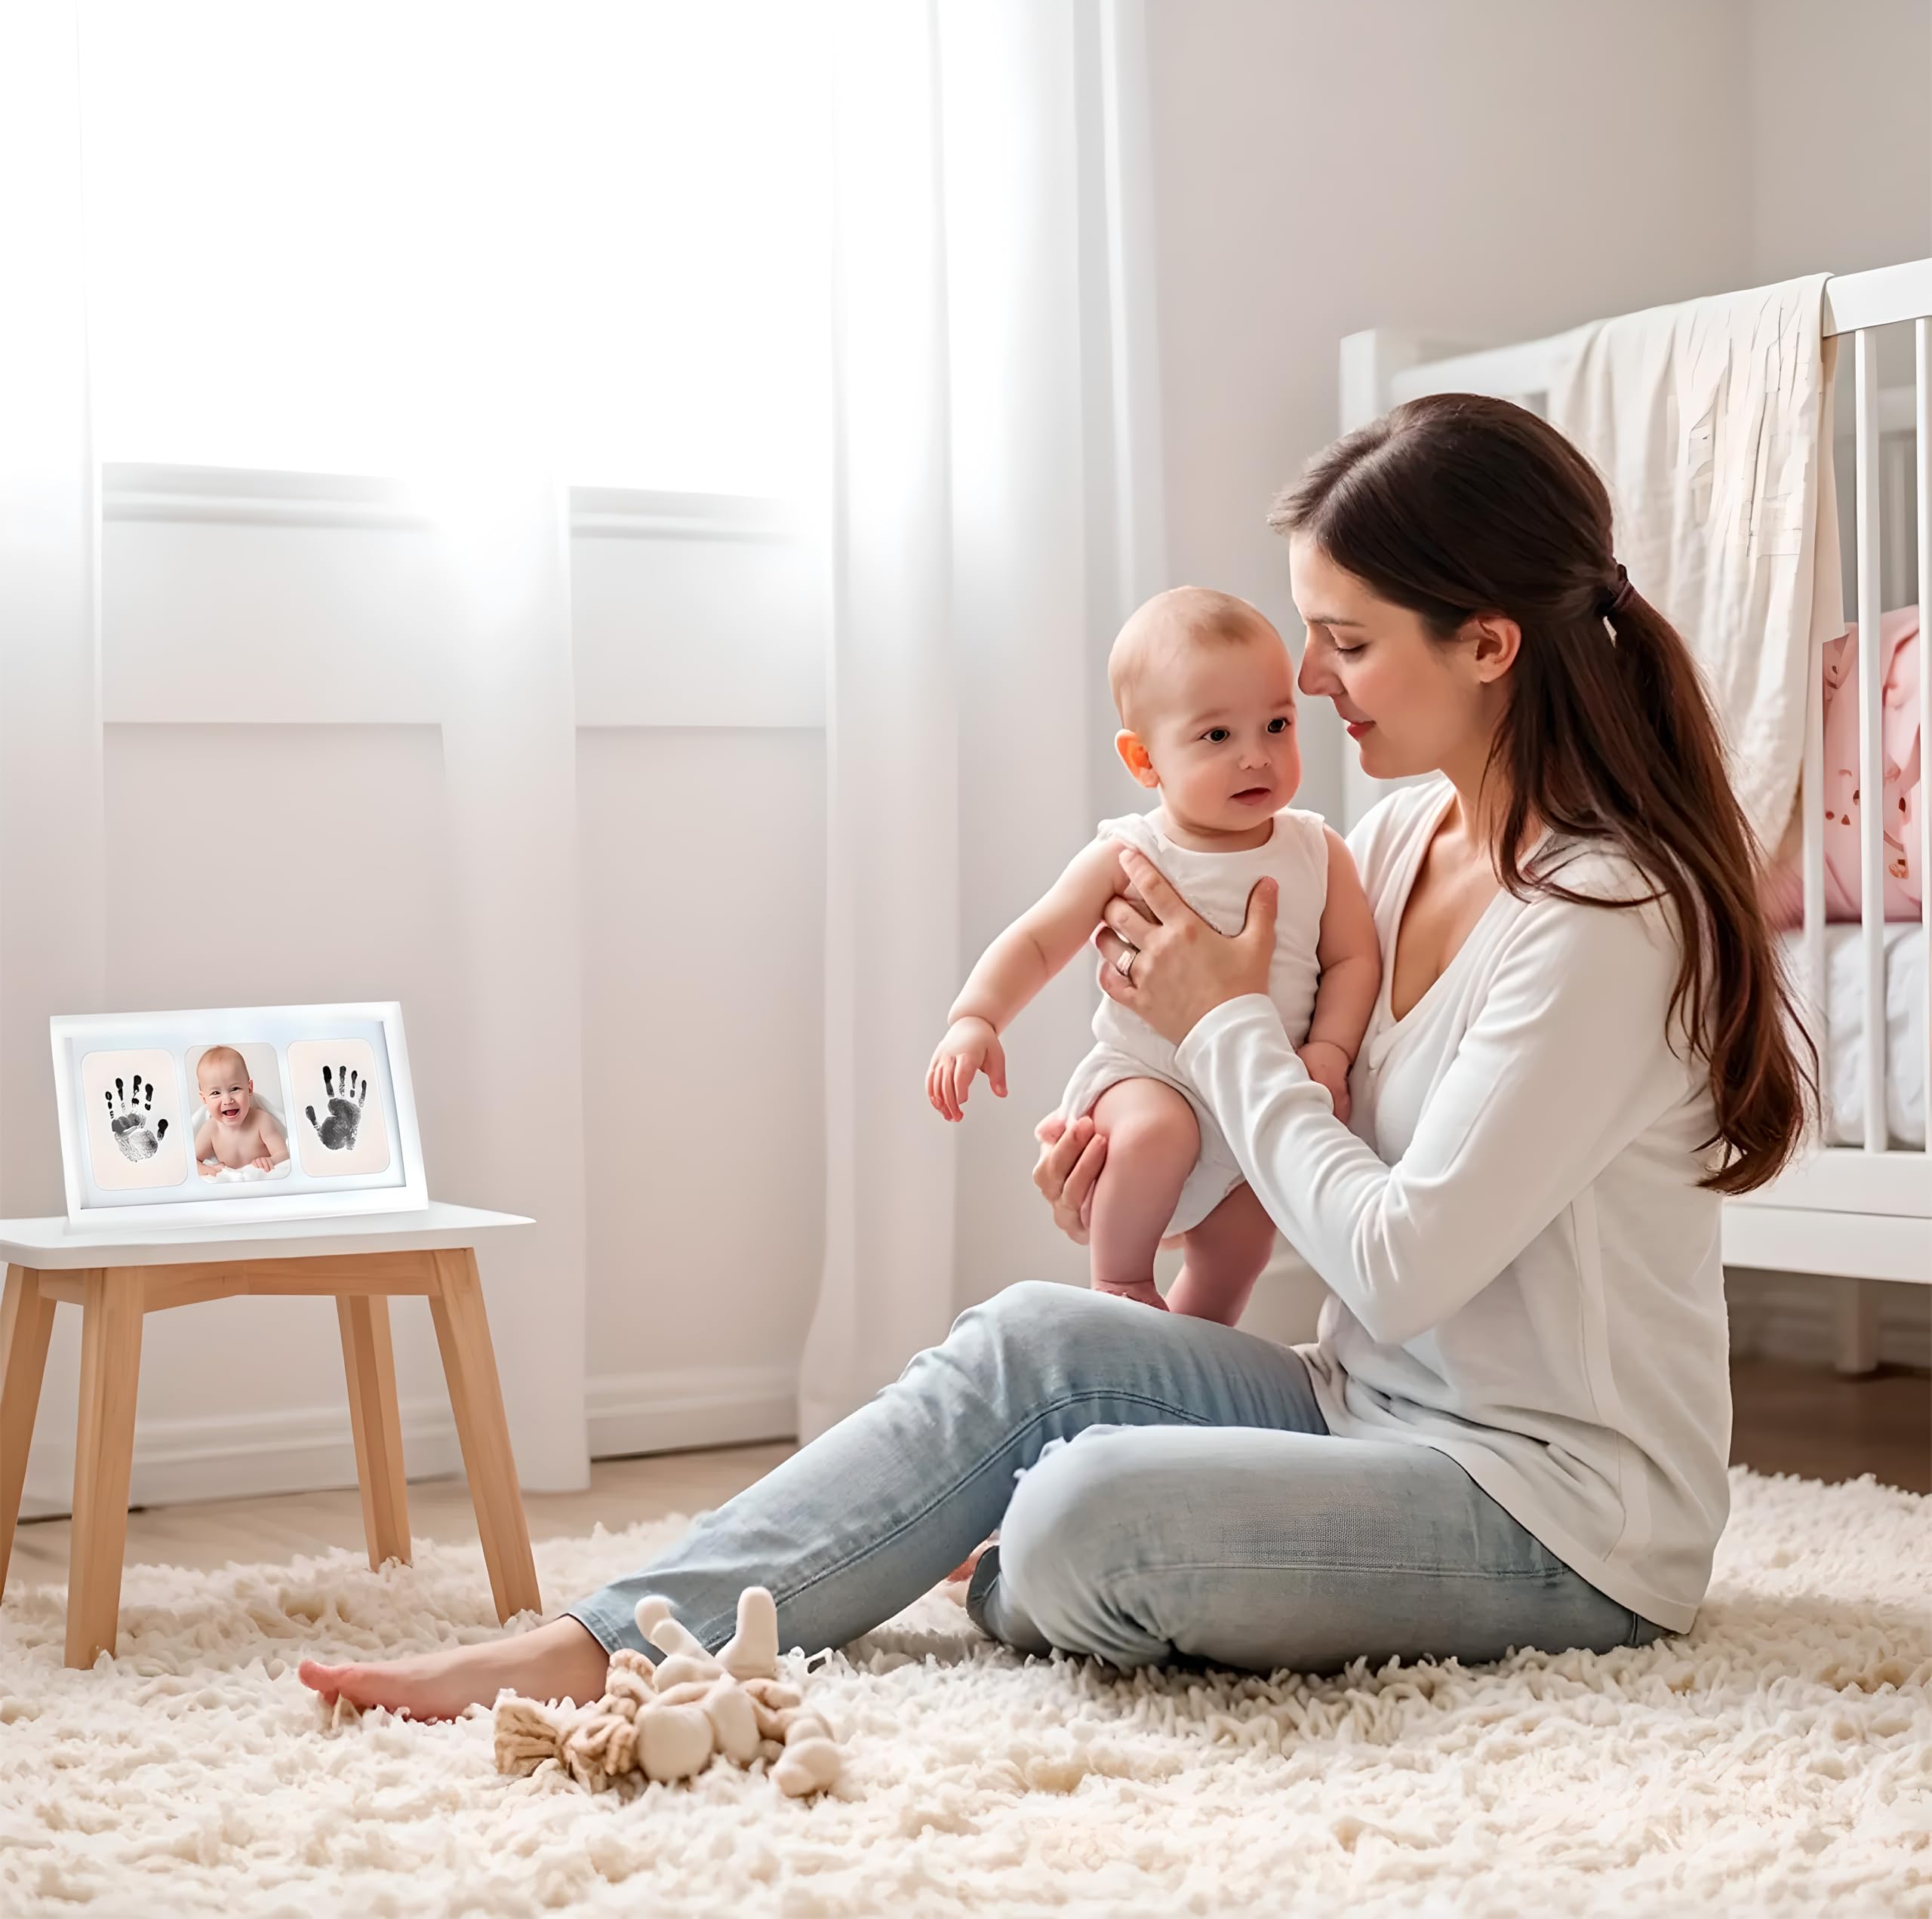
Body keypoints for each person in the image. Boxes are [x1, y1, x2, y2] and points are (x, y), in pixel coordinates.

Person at [299, 393, 1813, 1722]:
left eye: (1344, 639)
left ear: (1484, 643)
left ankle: (994, 1552)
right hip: (1369, 1405)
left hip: (1555, 1509)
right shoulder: (1405, 835)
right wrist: (1141, 1134)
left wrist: (1220, 1022)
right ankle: (602, 1639)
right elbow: (1312, 1134)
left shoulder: (1605, 915)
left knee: (1094, 1508)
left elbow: (1400, 1257)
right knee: (1031, 1336)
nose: (1308, 673)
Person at [926, 585, 1378, 1323]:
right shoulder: (1131, 852)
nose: (1256, 757)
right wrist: (975, 1017)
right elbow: (1040, 940)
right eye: (1216, 737)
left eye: (1276, 724)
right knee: (1155, 1136)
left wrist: (1328, 1048)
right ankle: (1122, 1285)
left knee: (1244, 1238)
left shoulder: (1317, 848)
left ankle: (1196, 1342)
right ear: (1144, 759)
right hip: (1148, 1077)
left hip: (1256, 1097)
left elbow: (1354, 960)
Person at [192, 1046, 288, 1177]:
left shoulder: (261, 1121)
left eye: (235, 1089)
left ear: (249, 1089)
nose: (227, 1100)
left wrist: (270, 1161)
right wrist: (212, 1170)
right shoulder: (211, 1129)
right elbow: (191, 1163)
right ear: (204, 1099)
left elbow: (284, 1154)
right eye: (216, 1093)